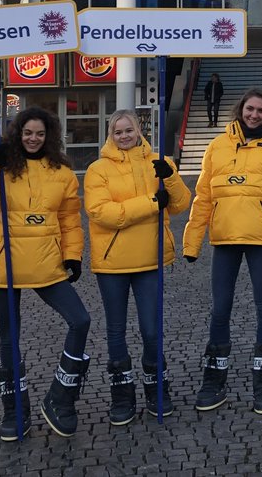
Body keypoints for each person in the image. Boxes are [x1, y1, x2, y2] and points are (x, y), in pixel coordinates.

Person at [0, 107, 89, 440]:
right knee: (10, 340)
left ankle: (61, 395)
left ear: (49, 135)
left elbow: (69, 218)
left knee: (80, 320)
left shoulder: (62, 171)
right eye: (27, 133)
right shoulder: (0, 167)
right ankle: (15, 410)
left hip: (45, 262)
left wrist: (72, 255)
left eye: (39, 133)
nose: (33, 139)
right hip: (2, 264)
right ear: (16, 134)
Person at [183, 87, 262, 415]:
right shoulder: (217, 146)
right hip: (225, 240)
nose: (254, 115)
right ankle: (213, 378)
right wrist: (192, 242)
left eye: (261, 111)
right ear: (240, 110)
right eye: (250, 109)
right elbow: (203, 196)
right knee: (220, 309)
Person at [83, 109, 191, 425]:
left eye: (128, 130)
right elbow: (101, 212)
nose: (124, 136)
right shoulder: (97, 169)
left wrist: (169, 177)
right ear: (110, 135)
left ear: (138, 130)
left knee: (151, 329)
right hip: (113, 262)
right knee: (116, 331)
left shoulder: (159, 163)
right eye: (118, 132)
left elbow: (181, 203)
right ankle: (122, 393)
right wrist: (150, 204)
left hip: (151, 259)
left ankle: (158, 387)